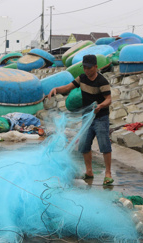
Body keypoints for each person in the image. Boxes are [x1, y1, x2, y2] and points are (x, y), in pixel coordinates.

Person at [48, 54, 113, 186]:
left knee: (104, 145)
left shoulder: (102, 81)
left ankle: (108, 173)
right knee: (83, 145)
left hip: (101, 117)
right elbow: (68, 87)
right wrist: (56, 89)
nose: (86, 70)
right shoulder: (82, 78)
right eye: (84, 67)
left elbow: (109, 99)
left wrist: (101, 105)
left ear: (95, 67)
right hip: (87, 118)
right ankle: (89, 172)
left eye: (89, 68)